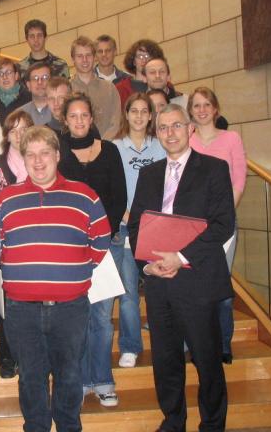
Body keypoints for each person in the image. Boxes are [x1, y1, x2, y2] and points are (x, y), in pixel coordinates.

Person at [0, 126, 111, 431]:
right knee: (30, 378)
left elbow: (101, 238)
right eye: (30, 154)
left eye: (45, 153)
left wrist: (77, 269)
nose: (38, 161)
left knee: (69, 375)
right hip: (21, 309)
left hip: (70, 307)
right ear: (23, 159)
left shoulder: (84, 195)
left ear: (57, 155)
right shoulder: (5, 200)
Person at [128, 103, 235, 432]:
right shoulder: (149, 174)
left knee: (207, 360)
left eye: (176, 125)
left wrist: (181, 257)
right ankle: (173, 421)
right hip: (158, 282)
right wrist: (148, 265)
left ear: (190, 129)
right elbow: (136, 226)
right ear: (157, 133)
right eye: (163, 127)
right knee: (165, 360)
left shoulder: (214, 169)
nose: (170, 133)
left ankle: (212, 425)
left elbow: (223, 224)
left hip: (197, 280)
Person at [57, 93, 126, 407]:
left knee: (101, 317)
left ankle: (103, 380)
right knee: (76, 318)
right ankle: (82, 380)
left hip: (105, 247)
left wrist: (101, 237)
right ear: (65, 120)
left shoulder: (109, 150)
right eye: (73, 116)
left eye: (84, 115)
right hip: (70, 250)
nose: (79, 121)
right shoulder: (57, 151)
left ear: (92, 118)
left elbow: (118, 197)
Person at [188, 86, 247, 364]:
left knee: (221, 286)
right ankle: (197, 344)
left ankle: (223, 343)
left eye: (206, 105)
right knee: (195, 286)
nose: (202, 110)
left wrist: (223, 215)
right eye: (196, 105)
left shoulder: (231, 138)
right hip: (193, 226)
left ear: (215, 109)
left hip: (223, 224)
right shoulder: (187, 140)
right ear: (190, 111)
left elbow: (239, 179)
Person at [111, 93, 165, 368]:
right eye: (134, 111)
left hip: (157, 229)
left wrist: (154, 222)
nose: (140, 116)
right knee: (128, 293)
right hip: (125, 229)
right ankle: (130, 346)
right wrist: (131, 220)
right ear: (126, 114)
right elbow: (112, 189)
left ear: (151, 115)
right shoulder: (115, 147)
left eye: (145, 111)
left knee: (161, 290)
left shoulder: (161, 145)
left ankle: (169, 341)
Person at [0, 109, 34, 379]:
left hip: (35, 247)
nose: (19, 134)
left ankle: (29, 357)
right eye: (14, 129)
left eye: (24, 128)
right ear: (7, 135)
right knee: (8, 306)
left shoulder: (40, 163)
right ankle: (7, 356)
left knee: (30, 306)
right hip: (5, 248)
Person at [69, 36, 121, 139]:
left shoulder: (109, 88)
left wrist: (102, 144)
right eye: (80, 56)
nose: (85, 60)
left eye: (88, 55)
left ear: (94, 57)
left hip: (106, 146)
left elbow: (116, 123)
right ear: (73, 59)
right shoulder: (67, 89)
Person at [115, 39, 165, 110]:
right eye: (140, 56)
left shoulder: (162, 84)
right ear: (133, 61)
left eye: (147, 56)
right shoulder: (121, 89)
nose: (144, 60)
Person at [0, 58, 31, 124]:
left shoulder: (28, 98)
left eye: (9, 72)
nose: (5, 77)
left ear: (16, 76)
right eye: (0, 74)